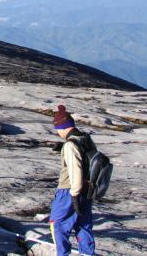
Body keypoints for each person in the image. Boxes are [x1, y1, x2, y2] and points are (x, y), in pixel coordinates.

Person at [49, 105, 95, 256]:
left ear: (62, 127)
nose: (58, 132)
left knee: (58, 225)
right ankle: (87, 253)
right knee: (83, 225)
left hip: (69, 191)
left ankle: (63, 254)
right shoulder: (85, 139)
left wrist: (74, 194)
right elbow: (86, 158)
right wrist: (62, 148)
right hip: (87, 190)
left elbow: (76, 170)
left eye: (58, 129)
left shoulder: (70, 145)